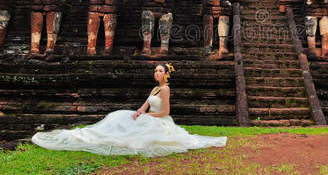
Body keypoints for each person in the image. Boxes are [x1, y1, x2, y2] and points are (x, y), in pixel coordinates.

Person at [31, 63, 227, 157]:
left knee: (135, 136)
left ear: (166, 74)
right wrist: (138, 112)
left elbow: (165, 112)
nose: (156, 73)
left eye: (160, 71)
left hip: (160, 120)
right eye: (155, 71)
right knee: (117, 116)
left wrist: (148, 116)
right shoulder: (155, 88)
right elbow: (145, 103)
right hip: (149, 115)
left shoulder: (166, 89)